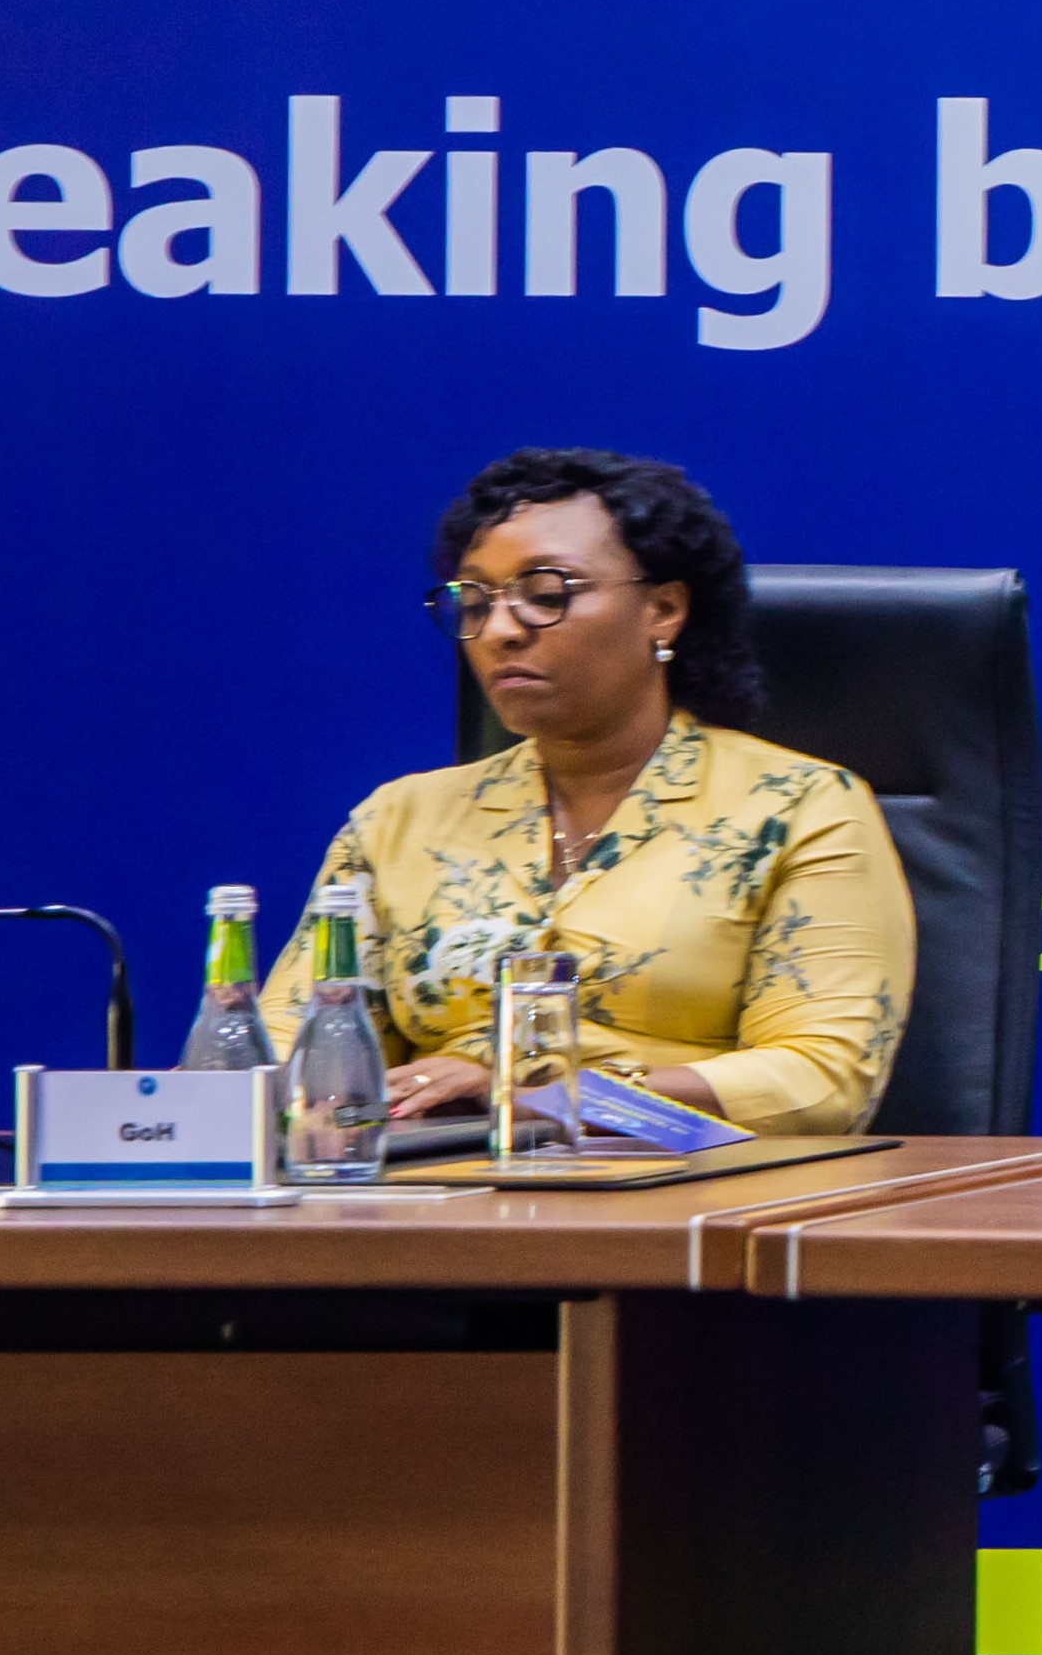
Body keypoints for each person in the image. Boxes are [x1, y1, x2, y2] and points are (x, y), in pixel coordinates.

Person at [260, 448, 914, 1138]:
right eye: (476, 602)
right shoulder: (397, 821)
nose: (500, 630)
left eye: (546, 595)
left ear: (663, 609)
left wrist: (533, 1095)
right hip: (430, 1183)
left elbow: (822, 1082)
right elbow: (286, 1055)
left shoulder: (798, 807)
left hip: (690, 1185)